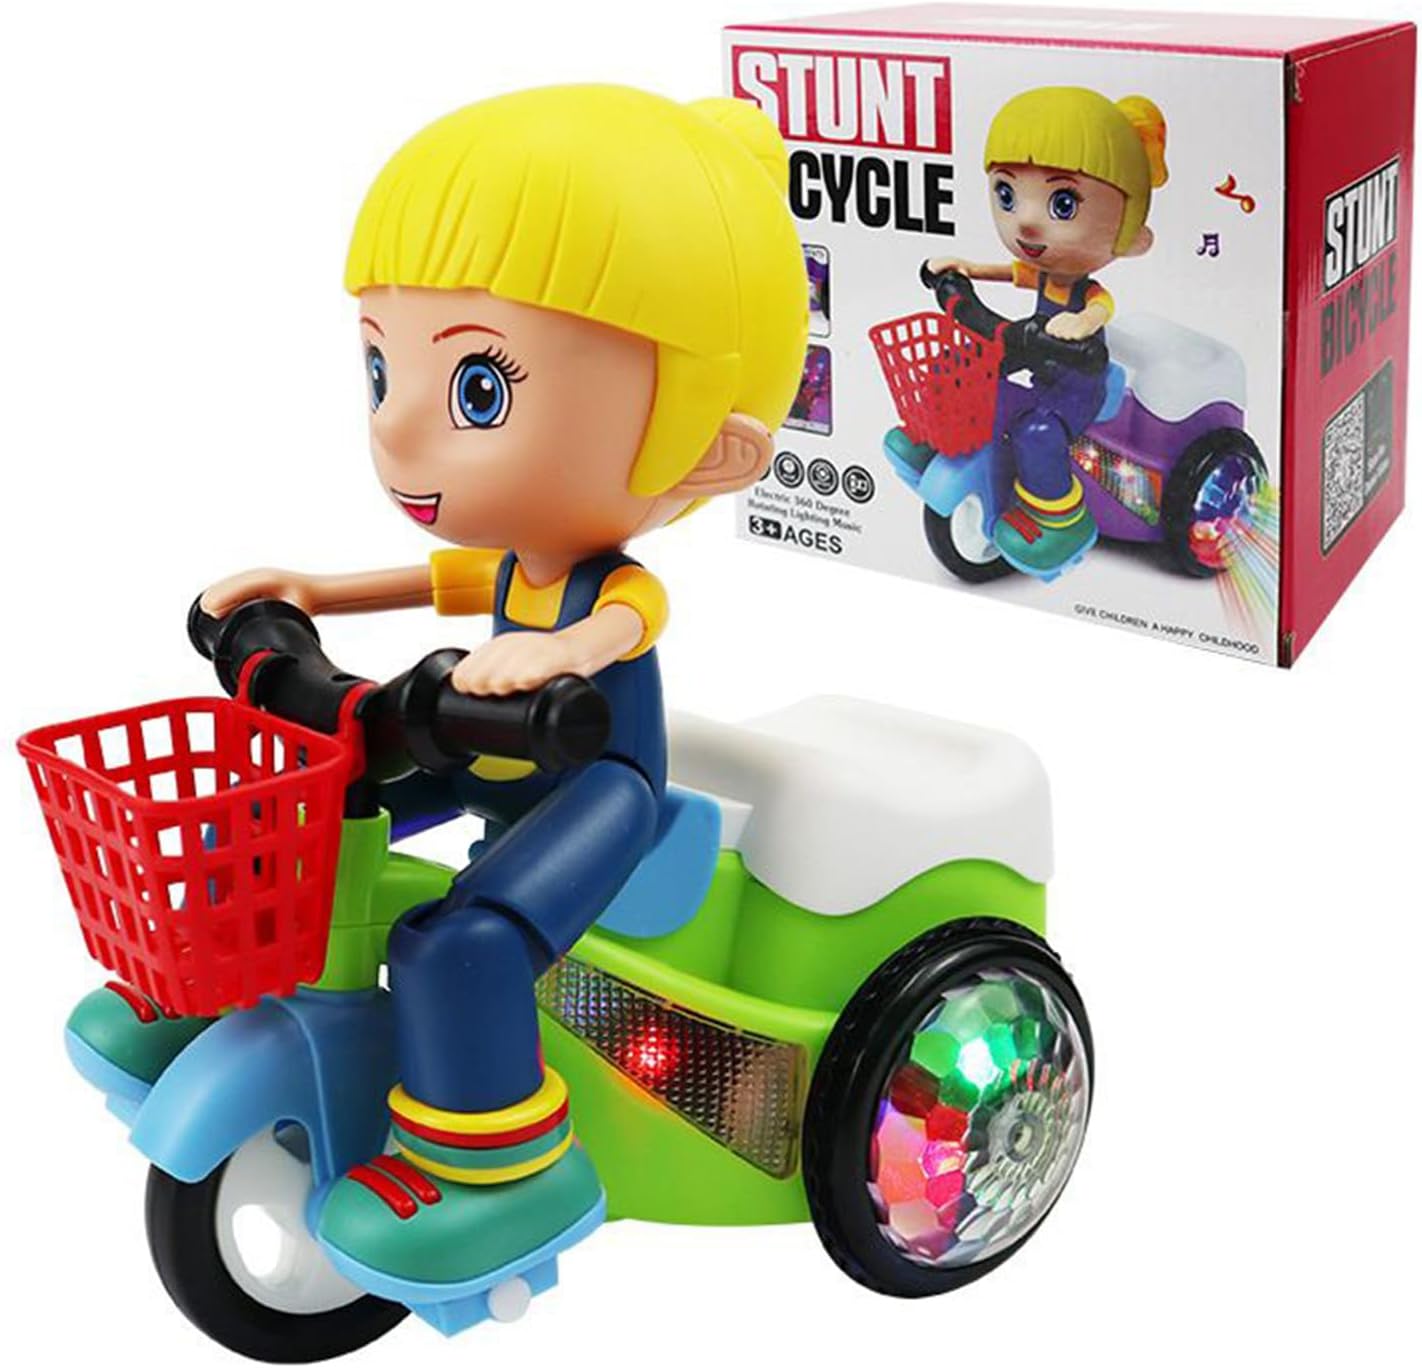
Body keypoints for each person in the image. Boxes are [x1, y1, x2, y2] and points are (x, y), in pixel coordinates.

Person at [74, 84, 807, 1289]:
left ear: (704, 445)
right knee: (291, 817)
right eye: (380, 370)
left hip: (597, 790)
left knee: (458, 941)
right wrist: (307, 588)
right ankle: (213, 997)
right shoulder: (507, 564)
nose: (399, 431)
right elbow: (420, 579)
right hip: (485, 750)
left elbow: (616, 631)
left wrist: (555, 656)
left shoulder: (610, 589)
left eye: (479, 389)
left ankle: (504, 1174)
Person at [929, 86, 1167, 576]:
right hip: (1040, 365)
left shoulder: (1086, 289)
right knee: (973, 381)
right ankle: (940, 443)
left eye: (1062, 203)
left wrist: (1080, 324)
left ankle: (1060, 519)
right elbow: (1008, 272)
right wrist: (966, 268)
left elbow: (1099, 310)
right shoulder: (1041, 272)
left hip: (1080, 382)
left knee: (1037, 433)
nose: (1027, 221)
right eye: (1007, 195)